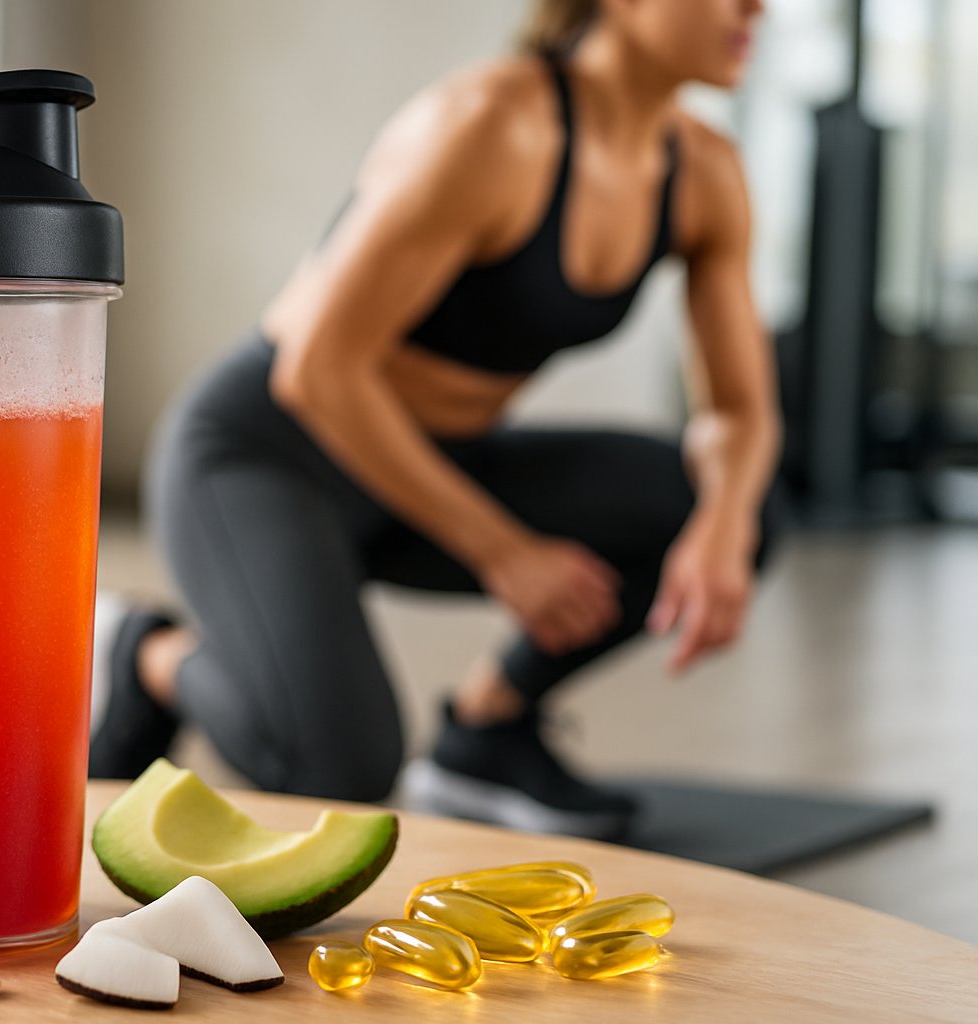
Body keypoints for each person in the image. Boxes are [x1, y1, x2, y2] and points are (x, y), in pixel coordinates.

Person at [90, 0, 782, 839]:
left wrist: (725, 523)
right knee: (340, 773)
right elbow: (318, 367)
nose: (757, 6)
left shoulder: (705, 171)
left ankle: (486, 729)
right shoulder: (492, 126)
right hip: (265, 455)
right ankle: (144, 653)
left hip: (430, 465)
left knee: (732, 509)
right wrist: (504, 551)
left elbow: (739, 411)